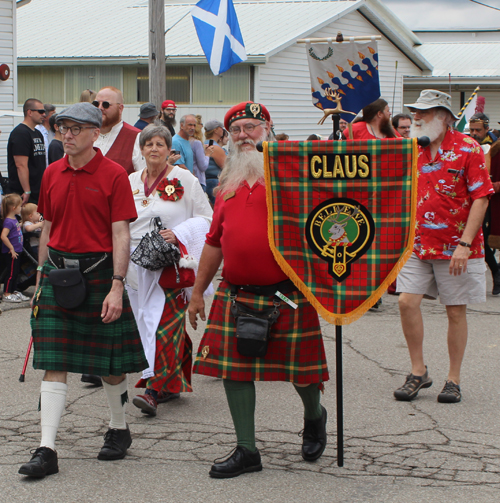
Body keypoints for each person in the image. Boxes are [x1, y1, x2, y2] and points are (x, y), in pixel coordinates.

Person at [188, 101, 329, 479]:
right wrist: (199, 290)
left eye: (252, 127)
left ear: (267, 129)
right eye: (236, 130)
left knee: (301, 372)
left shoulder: (293, 177)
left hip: (287, 293)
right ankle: (247, 450)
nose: (243, 135)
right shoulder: (227, 186)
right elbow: (214, 242)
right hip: (237, 293)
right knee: (235, 372)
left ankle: (314, 416)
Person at [18, 102, 147, 478]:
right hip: (58, 275)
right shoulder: (53, 173)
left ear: (95, 133)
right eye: (62, 129)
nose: (68, 135)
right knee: (53, 362)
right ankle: (47, 449)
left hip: (99, 275)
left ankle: (119, 428)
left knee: (108, 367)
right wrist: (40, 277)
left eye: (76, 129)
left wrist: (116, 285)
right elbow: (49, 227)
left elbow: (121, 232)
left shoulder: (113, 175)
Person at [394, 90, 494, 404]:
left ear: (447, 117)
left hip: (457, 246)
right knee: (406, 303)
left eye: (426, 112)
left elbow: (482, 196)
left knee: (454, 312)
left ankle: (453, 378)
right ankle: (418, 371)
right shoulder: (410, 148)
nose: (417, 117)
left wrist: (465, 244)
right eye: (415, 112)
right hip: (418, 243)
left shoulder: (469, 148)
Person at [126, 125, 212, 417]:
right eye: (148, 143)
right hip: (136, 267)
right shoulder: (130, 182)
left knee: (164, 326)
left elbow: (206, 218)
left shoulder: (184, 179)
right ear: (141, 149)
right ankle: (174, 381)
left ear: (168, 149)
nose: (154, 149)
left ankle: (152, 390)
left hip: (172, 267)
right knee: (154, 325)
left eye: (160, 144)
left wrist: (180, 233)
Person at [468, 113, 500, 294]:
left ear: (486, 130)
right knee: (477, 238)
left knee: (486, 238)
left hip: (492, 201)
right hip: (471, 199)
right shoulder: (467, 147)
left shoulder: (494, 149)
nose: (474, 133)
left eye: (477, 130)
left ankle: (497, 273)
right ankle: (496, 273)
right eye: (471, 130)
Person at [92, 86, 145, 175]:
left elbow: (143, 178)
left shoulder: (136, 137)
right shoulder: (84, 134)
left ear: (120, 108)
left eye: (106, 104)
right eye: (96, 104)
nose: (100, 108)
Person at [7, 98, 47, 204]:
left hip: (38, 190)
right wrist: (27, 190)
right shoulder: (20, 133)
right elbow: (21, 165)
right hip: (25, 193)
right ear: (29, 112)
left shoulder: (38, 133)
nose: (44, 114)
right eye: (40, 111)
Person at [1, 193, 29, 303]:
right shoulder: (8, 221)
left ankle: (13, 291)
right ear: (14, 208)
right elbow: (3, 236)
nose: (21, 208)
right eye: (20, 206)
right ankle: (7, 293)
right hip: (11, 252)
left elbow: (16, 229)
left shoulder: (14, 219)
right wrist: (11, 248)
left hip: (17, 250)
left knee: (16, 272)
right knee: (11, 272)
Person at [204, 120, 227, 204]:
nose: (223, 130)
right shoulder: (214, 147)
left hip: (208, 181)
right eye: (221, 128)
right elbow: (226, 166)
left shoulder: (205, 144)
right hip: (214, 181)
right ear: (215, 130)